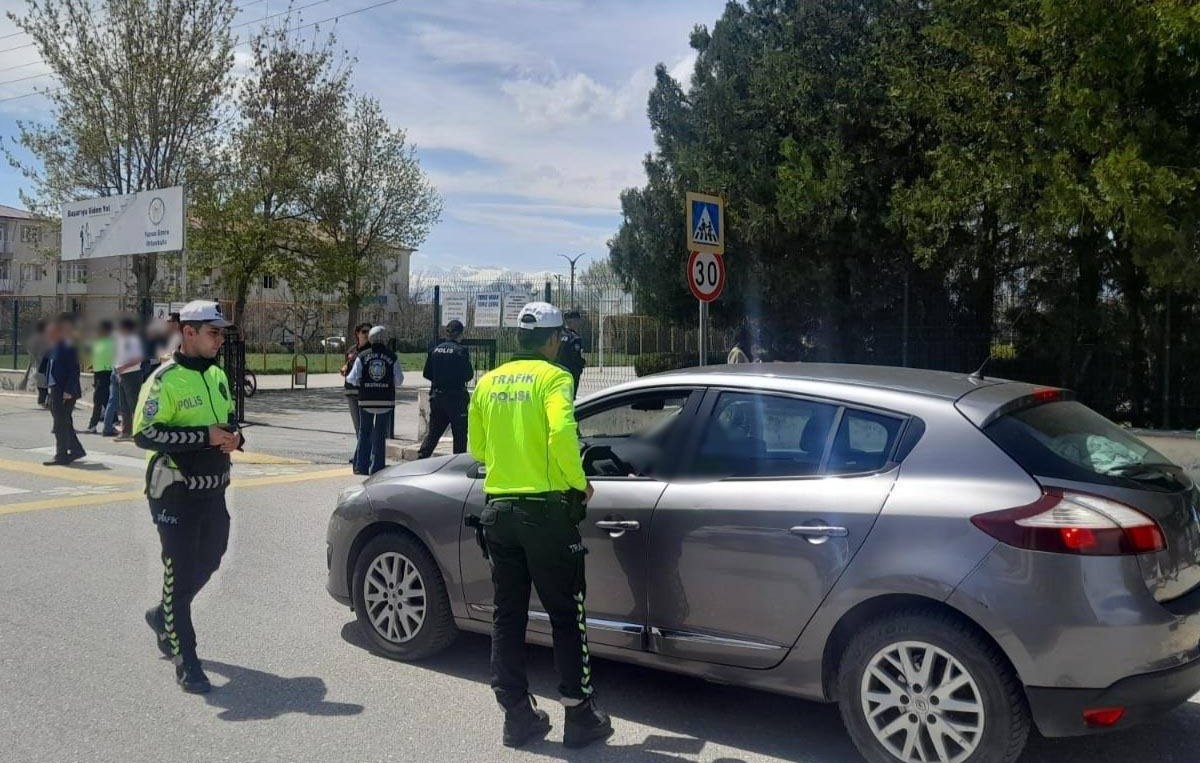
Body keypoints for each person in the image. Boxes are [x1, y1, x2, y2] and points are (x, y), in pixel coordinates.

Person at [467, 302, 613, 750]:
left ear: (518, 339)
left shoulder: (489, 382)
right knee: (567, 615)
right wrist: (578, 482)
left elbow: (477, 448)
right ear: (553, 340)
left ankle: (516, 716)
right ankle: (579, 714)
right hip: (546, 515)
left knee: (507, 615)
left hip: (499, 512)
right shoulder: (555, 377)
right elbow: (561, 433)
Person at [134, 300, 242, 694]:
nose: (219, 340)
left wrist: (235, 438)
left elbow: (227, 422)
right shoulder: (165, 379)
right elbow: (144, 434)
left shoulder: (217, 375)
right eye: (213, 333)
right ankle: (187, 661)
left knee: (212, 558)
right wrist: (204, 437)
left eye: (221, 333)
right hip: (174, 493)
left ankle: (163, 615)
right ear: (188, 332)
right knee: (178, 576)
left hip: (213, 490)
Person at [346, 326, 403, 475]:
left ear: (370, 338)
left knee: (365, 432)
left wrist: (365, 384)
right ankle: (377, 467)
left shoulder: (362, 356)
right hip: (386, 401)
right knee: (380, 434)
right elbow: (399, 380)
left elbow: (352, 378)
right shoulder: (392, 357)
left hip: (366, 400)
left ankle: (361, 466)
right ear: (386, 339)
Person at [417, 319, 473, 459]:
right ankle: (457, 465)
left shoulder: (435, 350)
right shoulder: (461, 351)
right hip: (456, 398)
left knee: (433, 433)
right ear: (460, 334)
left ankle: (421, 459)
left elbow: (426, 373)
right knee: (459, 435)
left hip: (437, 397)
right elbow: (468, 375)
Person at [43, 313, 85, 466]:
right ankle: (76, 450)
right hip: (56, 387)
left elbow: (74, 369)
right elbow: (51, 366)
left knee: (61, 423)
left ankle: (61, 454)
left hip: (65, 390)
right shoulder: (57, 343)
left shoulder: (69, 343)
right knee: (63, 422)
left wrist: (68, 390)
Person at [340, 323, 372, 462]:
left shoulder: (371, 350)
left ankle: (362, 455)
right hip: (350, 391)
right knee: (357, 425)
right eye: (364, 331)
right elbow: (348, 365)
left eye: (369, 332)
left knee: (364, 426)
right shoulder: (352, 350)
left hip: (364, 392)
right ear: (357, 333)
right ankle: (361, 453)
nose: (366, 334)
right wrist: (344, 368)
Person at [114, 317, 145, 442]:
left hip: (132, 374)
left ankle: (139, 431)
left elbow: (138, 358)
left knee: (134, 405)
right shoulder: (121, 340)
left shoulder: (133, 340)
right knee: (124, 405)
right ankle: (126, 431)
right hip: (122, 375)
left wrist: (123, 367)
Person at [84, 320, 115, 434]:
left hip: (107, 373)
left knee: (99, 399)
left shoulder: (112, 342)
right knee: (106, 400)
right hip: (97, 373)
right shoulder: (97, 341)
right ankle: (113, 422)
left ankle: (93, 424)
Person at [555, 309, 586, 398]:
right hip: (571, 373)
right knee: (570, 398)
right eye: (578, 320)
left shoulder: (557, 335)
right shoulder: (575, 338)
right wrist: (582, 364)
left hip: (556, 371)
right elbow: (575, 357)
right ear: (575, 321)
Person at [26, 319, 49, 408]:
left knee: (42, 383)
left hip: (40, 362)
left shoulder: (36, 337)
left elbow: (30, 349)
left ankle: (43, 400)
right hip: (45, 362)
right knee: (44, 383)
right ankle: (43, 400)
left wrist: (34, 356)